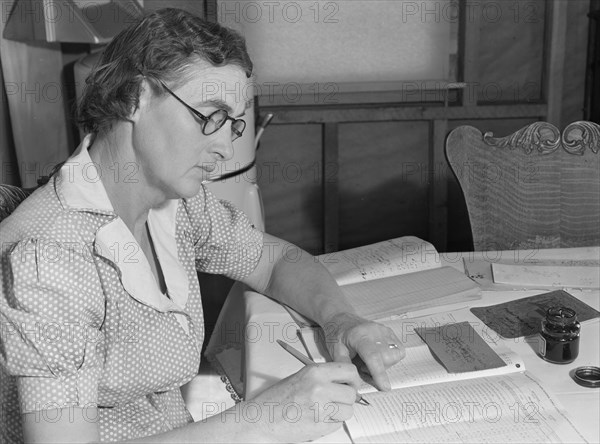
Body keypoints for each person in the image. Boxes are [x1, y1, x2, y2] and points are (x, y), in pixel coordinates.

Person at [0, 8, 404, 443]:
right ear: (137, 97)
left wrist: (340, 319)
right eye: (210, 114)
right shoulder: (51, 258)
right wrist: (265, 419)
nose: (226, 150)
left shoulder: (176, 204)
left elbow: (275, 261)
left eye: (233, 123)